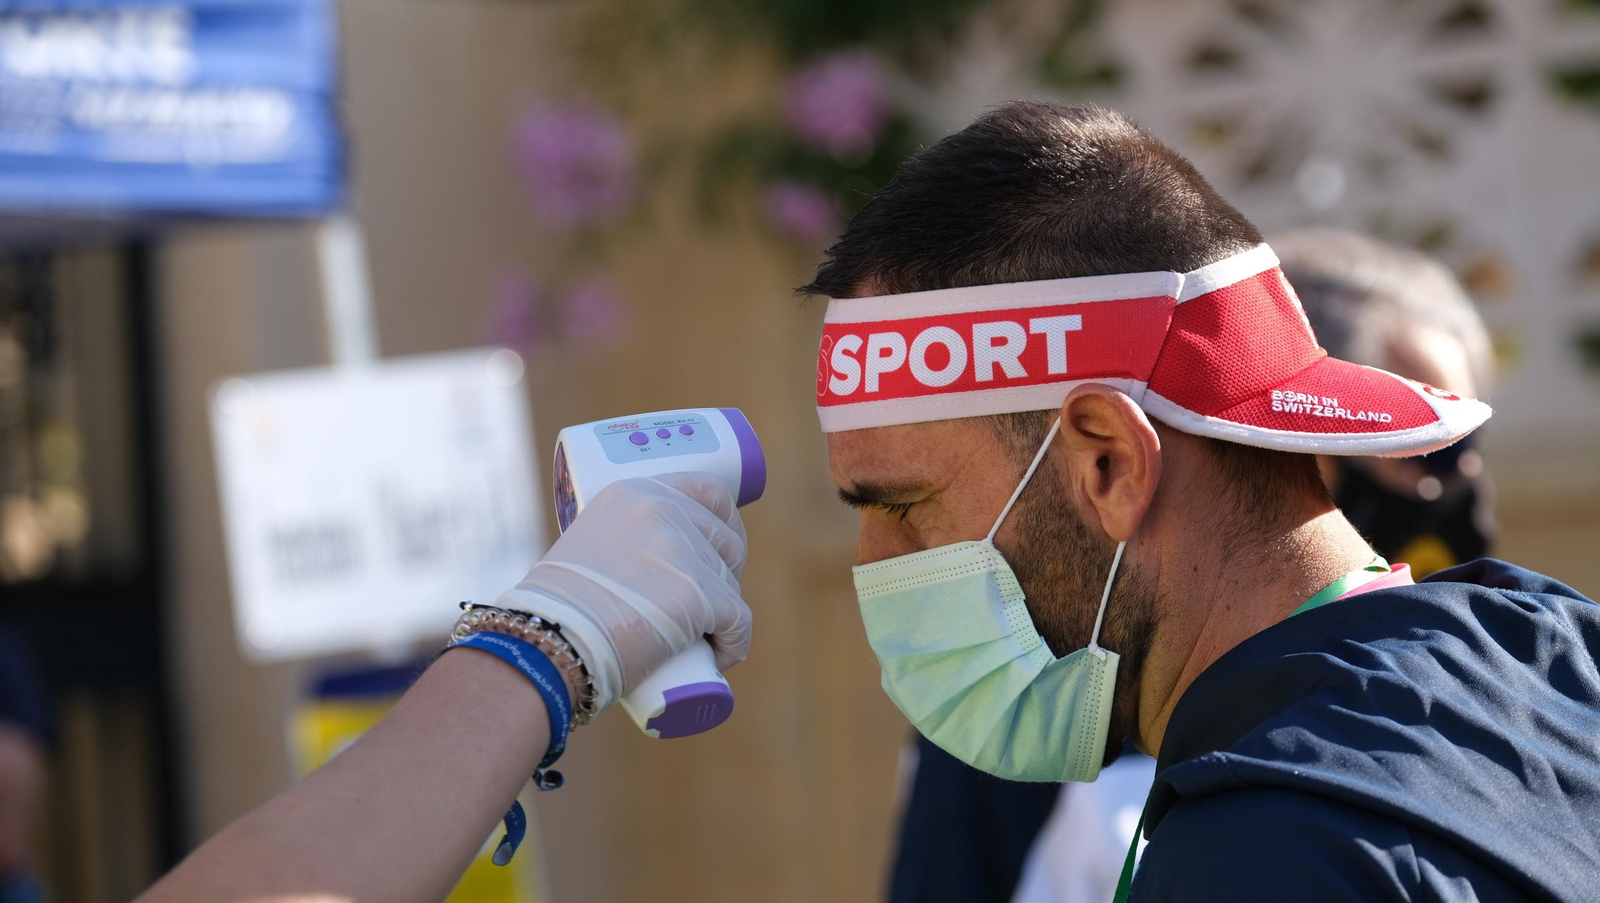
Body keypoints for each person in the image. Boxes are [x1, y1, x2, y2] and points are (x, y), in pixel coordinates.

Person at [135, 101, 1600, 903]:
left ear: (1105, 457)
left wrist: (541, 643)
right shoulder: (1551, 652)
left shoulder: (1273, 851)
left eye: (898, 503)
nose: (871, 562)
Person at [895, 227, 1505, 903]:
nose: (1458, 485)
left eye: (1456, 437)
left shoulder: (1494, 677)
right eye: (1422, 448)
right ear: (1294, 437)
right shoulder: (1037, 702)